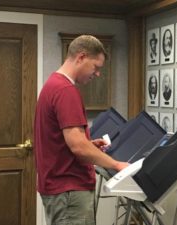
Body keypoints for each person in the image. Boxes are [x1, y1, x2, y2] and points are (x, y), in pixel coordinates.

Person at [34, 35, 129, 225]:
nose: (98, 74)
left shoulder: (52, 84)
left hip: (58, 188)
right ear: (81, 57)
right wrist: (117, 165)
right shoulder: (66, 91)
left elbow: (64, 139)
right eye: (96, 67)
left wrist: (89, 144)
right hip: (69, 191)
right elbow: (78, 147)